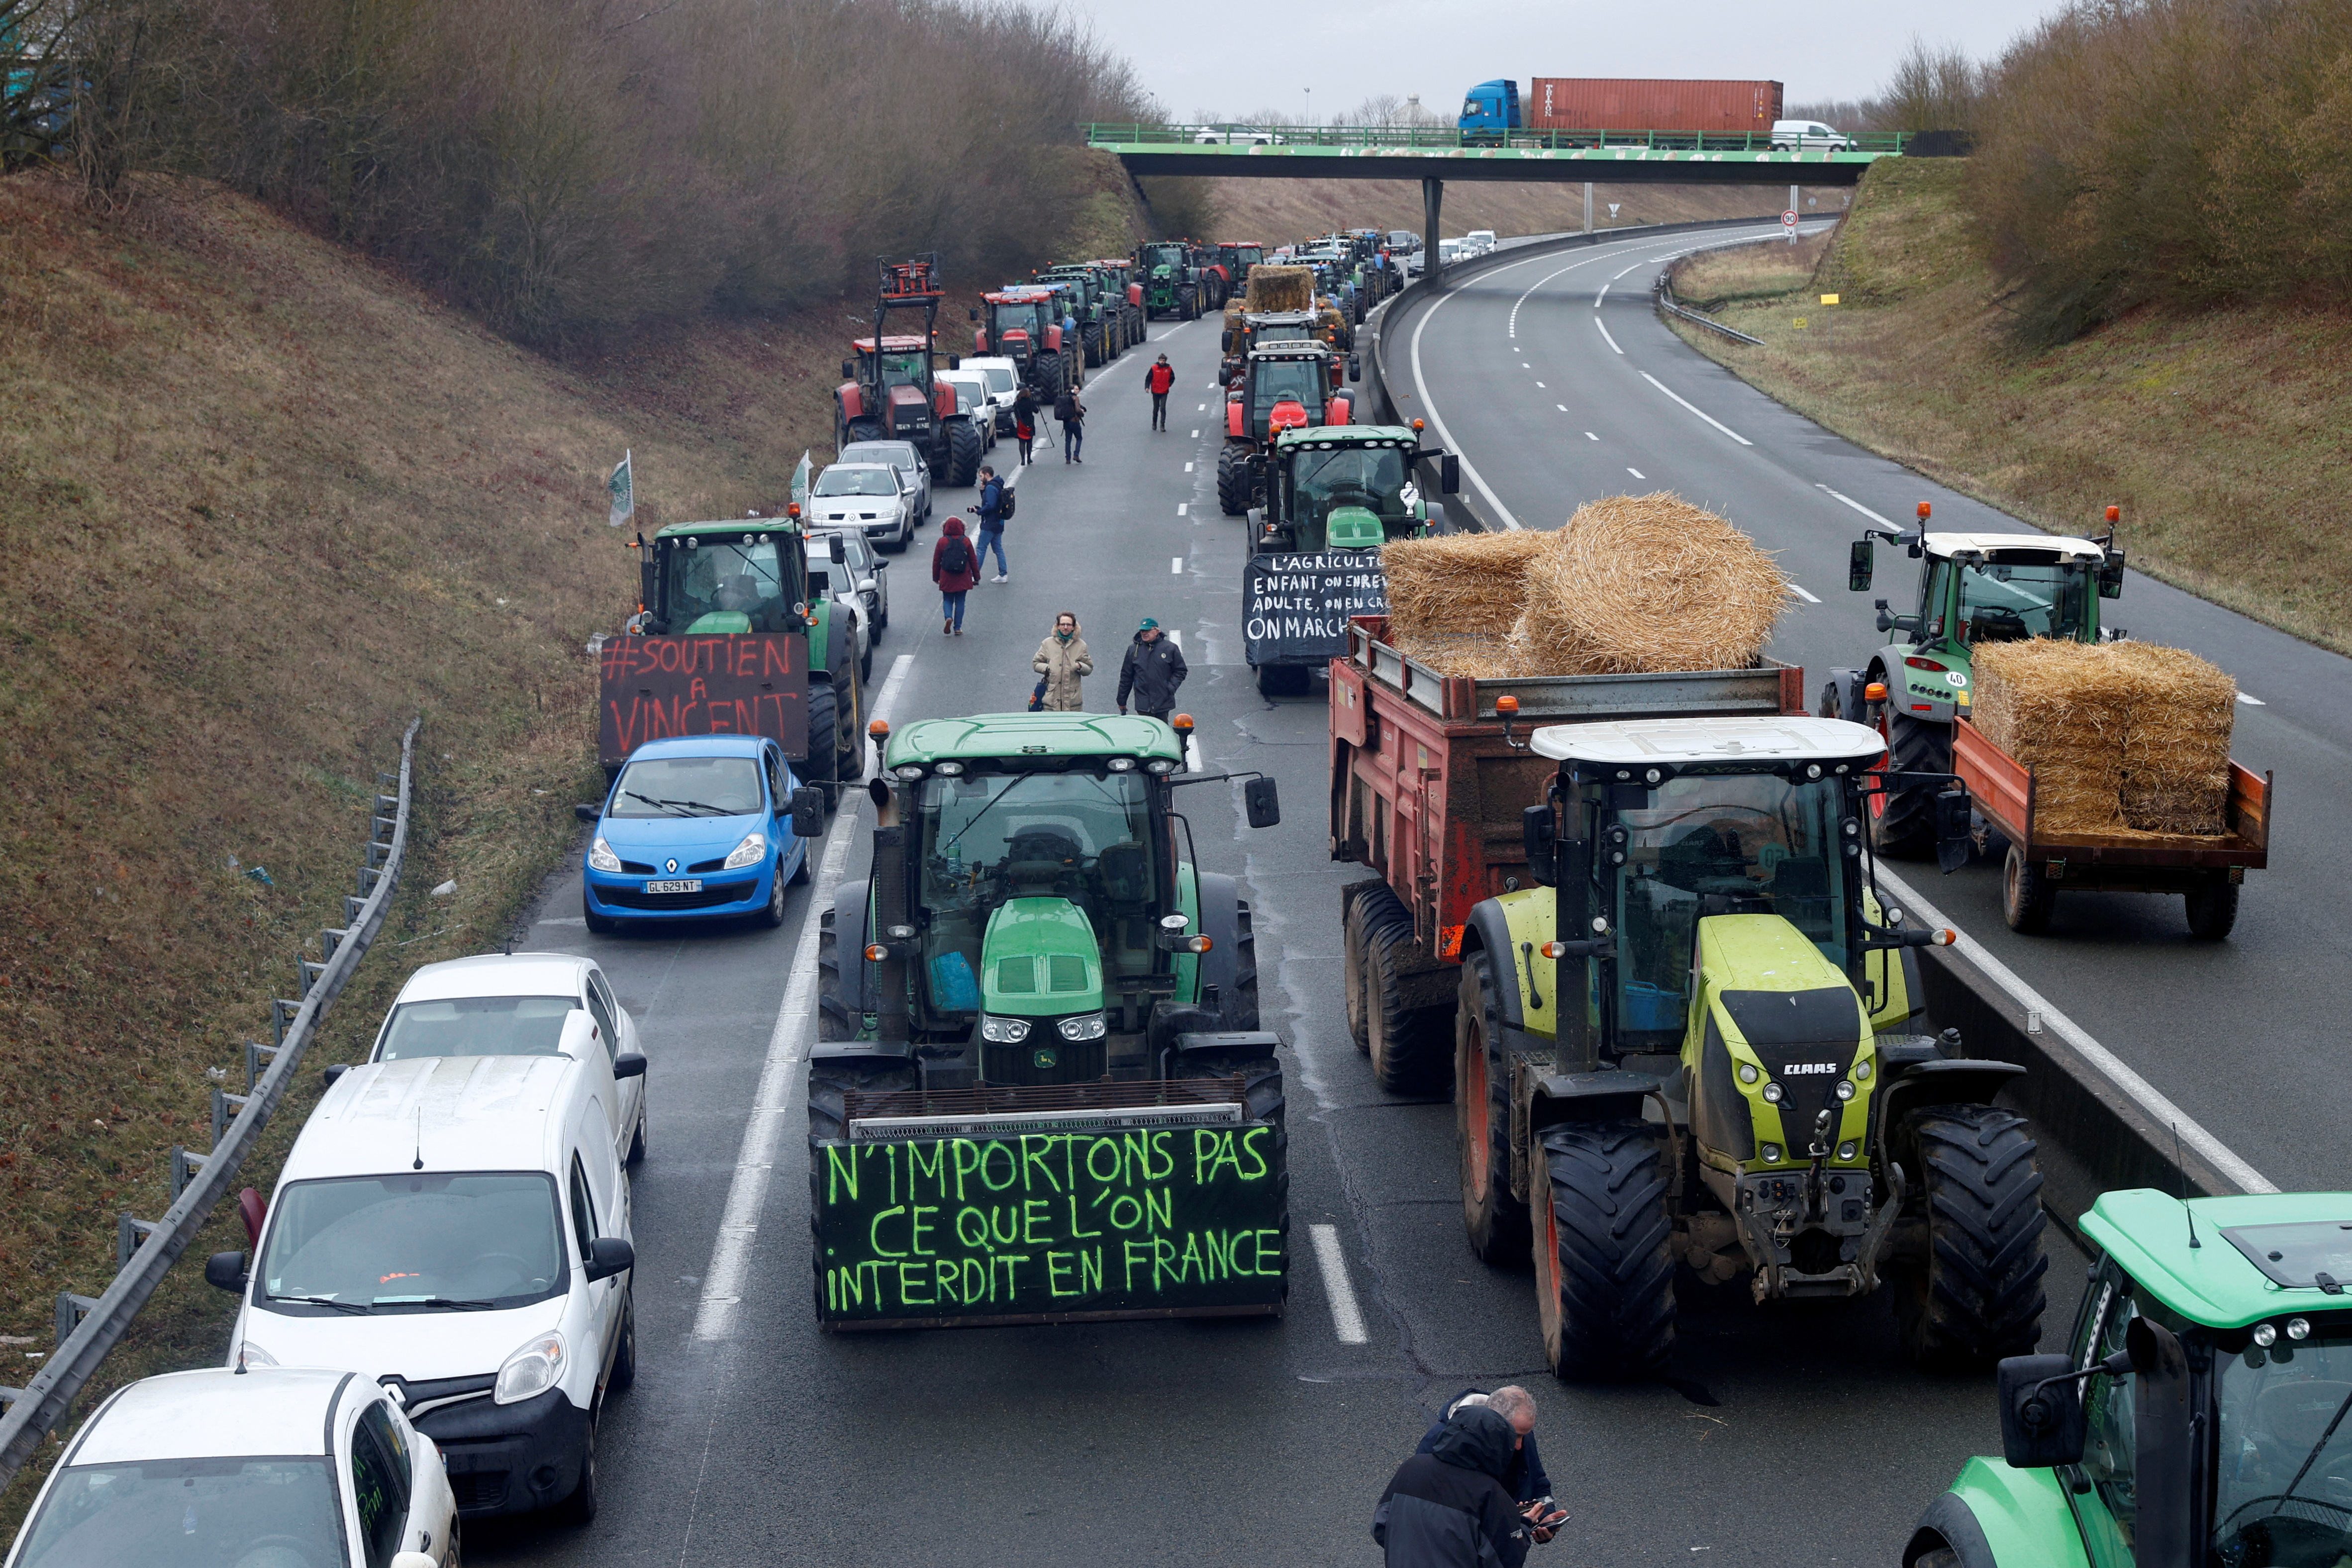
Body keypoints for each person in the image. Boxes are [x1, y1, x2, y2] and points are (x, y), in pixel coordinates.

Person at [1372, 1404, 1532, 1568]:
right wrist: (1524, 1527)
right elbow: (1507, 1559)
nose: (1518, 1447)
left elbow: (1380, 1527)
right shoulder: (1490, 1492)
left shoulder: (1411, 1468)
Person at [1414, 1388, 1565, 1545]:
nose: (1520, 1445)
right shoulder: (1435, 1443)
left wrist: (1542, 1518)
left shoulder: (1522, 1434)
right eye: (1516, 1436)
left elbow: (1537, 1481)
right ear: (1494, 1424)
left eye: (1525, 1435)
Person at [1116, 618, 1187, 724]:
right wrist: (1122, 701)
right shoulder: (1133, 650)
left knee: (1163, 729)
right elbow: (1126, 676)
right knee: (1147, 730)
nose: (1144, 634)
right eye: (1142, 631)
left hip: (1163, 700)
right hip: (1143, 702)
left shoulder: (1170, 648)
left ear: (1157, 631)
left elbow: (1181, 670)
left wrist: (1170, 687)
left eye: (1147, 631)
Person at [1031, 612, 1093, 712]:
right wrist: (1047, 668)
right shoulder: (1047, 644)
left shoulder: (1081, 646)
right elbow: (1036, 663)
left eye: (1069, 625)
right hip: (1051, 702)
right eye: (1063, 624)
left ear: (1073, 627)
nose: (1065, 627)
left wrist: (1079, 666)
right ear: (1058, 626)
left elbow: (1089, 668)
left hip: (1073, 704)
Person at [931, 516, 978, 635]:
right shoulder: (966, 541)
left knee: (947, 599)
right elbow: (973, 560)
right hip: (963, 576)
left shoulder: (942, 541)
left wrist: (936, 577)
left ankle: (948, 617)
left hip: (947, 576)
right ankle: (958, 628)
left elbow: (936, 561)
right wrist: (976, 576)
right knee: (961, 601)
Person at [972, 465, 1009, 582]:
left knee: (981, 548)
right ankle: (1003, 574)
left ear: (987, 475)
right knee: (998, 548)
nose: (980, 479)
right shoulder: (997, 485)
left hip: (990, 523)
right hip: (999, 522)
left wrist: (979, 511)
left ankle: (975, 576)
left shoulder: (990, 488)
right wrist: (982, 490)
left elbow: (990, 505)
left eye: (981, 476)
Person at [1014, 384, 1051, 455]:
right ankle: (1029, 458)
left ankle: (1023, 460)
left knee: (1022, 442)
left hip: (1020, 424)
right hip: (1029, 423)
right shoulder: (1030, 402)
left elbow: (1014, 412)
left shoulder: (1017, 403)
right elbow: (1037, 411)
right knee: (1029, 442)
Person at [1057, 386, 1086, 465]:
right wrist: (1082, 413)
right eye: (1076, 389)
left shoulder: (1065, 398)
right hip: (1074, 421)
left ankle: (1068, 459)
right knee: (1079, 438)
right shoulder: (1075, 398)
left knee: (1068, 441)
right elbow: (1077, 409)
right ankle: (1076, 455)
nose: (1078, 390)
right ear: (1072, 390)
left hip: (1066, 422)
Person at [1146, 354, 1175, 431]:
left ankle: (1162, 425)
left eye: (1163, 361)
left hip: (1164, 392)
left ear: (1165, 361)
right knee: (1156, 408)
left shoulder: (1169, 369)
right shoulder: (1154, 368)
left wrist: (1169, 385)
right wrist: (1147, 387)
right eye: (1161, 360)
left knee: (1163, 408)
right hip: (1155, 392)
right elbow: (1148, 378)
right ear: (1159, 360)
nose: (1162, 362)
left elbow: (1172, 378)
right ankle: (1154, 423)